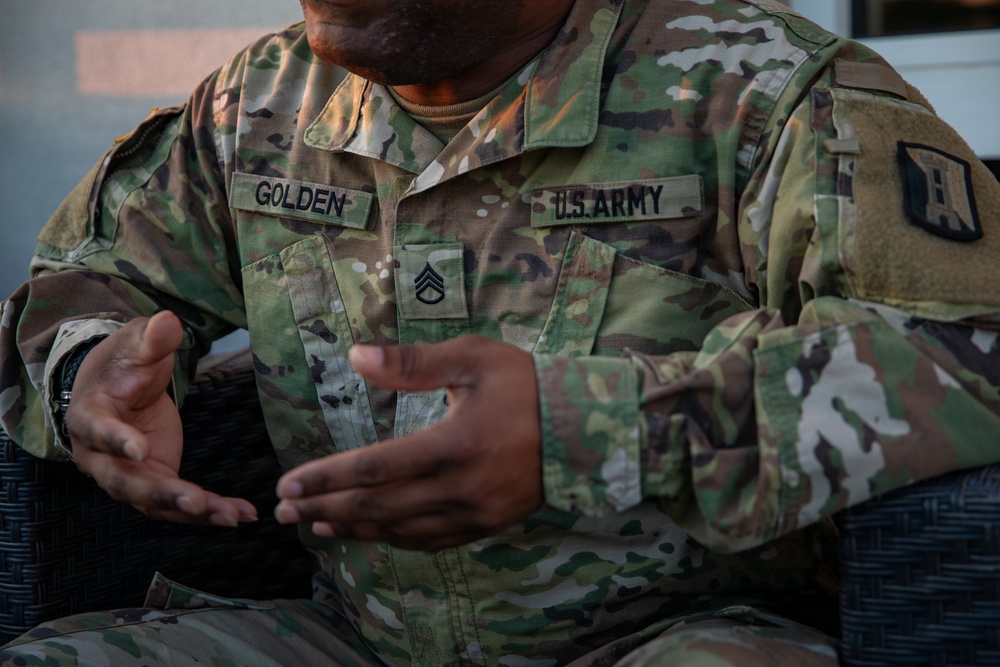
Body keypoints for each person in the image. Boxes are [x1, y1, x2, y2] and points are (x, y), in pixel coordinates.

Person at [2, 0, 999, 664]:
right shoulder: (254, 106)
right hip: (358, 638)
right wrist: (90, 372)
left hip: (678, 637)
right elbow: (90, 278)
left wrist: (589, 433)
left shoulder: (762, 90)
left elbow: (968, 358)